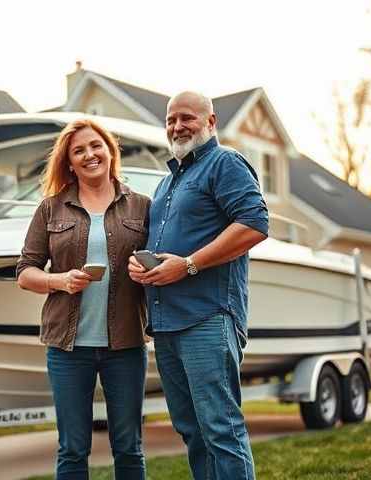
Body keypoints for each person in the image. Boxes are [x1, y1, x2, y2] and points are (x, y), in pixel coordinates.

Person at [128, 91, 268, 480]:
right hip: (167, 324)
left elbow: (255, 223)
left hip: (207, 318)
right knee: (191, 431)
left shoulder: (225, 163)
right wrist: (144, 267)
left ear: (211, 121)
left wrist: (188, 265)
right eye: (171, 119)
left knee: (221, 429)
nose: (177, 126)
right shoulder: (167, 182)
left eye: (187, 118)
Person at [17, 118, 151, 480]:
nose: (89, 154)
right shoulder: (50, 209)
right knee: (73, 449)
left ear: (110, 151)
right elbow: (25, 272)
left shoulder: (141, 206)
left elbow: (160, 265)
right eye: (79, 151)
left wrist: (148, 270)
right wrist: (60, 281)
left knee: (129, 447)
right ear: (70, 162)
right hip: (67, 349)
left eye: (96, 146)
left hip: (126, 346)